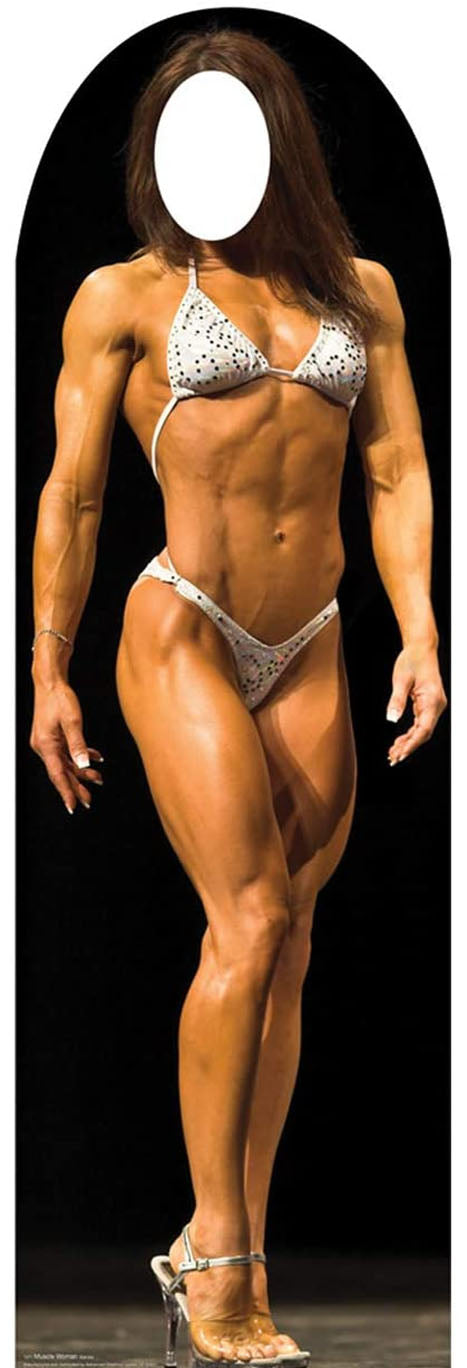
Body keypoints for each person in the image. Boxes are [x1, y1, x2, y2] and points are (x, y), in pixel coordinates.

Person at [29, 26, 448, 1368]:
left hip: (312, 639)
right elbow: (74, 496)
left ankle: (232, 1244)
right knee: (249, 916)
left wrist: (421, 632)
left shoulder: (362, 293)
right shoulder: (126, 298)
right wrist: (45, 664)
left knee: (292, 944)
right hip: (184, 625)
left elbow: (396, 468)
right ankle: (218, 1267)